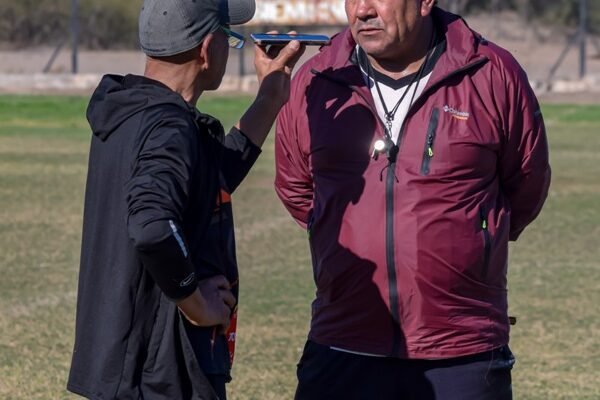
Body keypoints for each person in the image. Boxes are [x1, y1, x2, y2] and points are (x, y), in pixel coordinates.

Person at [275, 0, 551, 399]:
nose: (362, 10)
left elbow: (526, 183)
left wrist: (471, 243)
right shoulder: (317, 78)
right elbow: (296, 186)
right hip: (344, 338)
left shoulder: (491, 72)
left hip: (461, 345)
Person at [67, 0, 304, 399]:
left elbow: (208, 179)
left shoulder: (134, 112)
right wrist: (196, 302)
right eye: (229, 37)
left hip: (128, 365)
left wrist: (270, 97)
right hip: (159, 372)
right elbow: (152, 227)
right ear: (207, 47)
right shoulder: (169, 128)